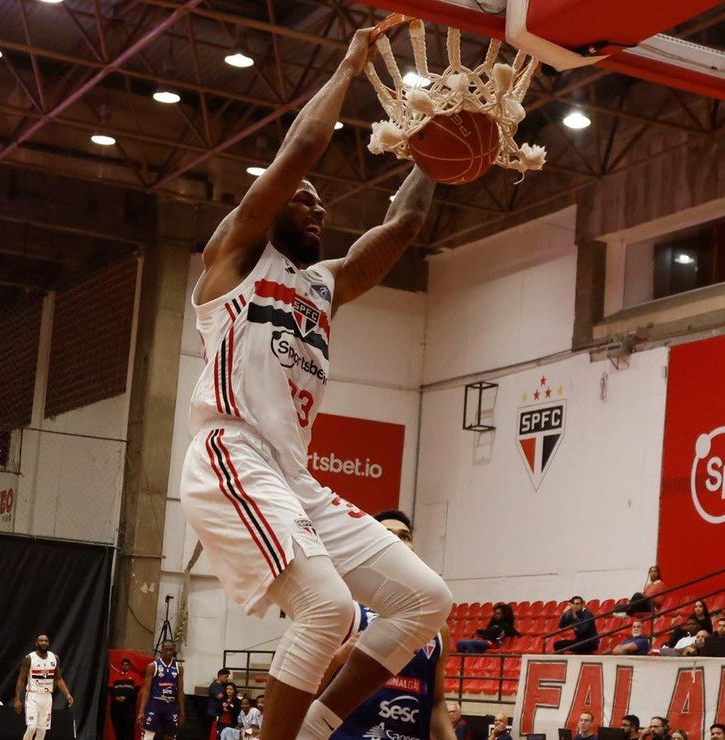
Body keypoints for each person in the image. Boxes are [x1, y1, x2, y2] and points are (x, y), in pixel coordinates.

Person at [177, 22, 450, 740]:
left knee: (426, 600)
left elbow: (406, 223)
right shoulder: (233, 258)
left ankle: (317, 725)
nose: (319, 209)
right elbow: (300, 151)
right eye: (306, 201)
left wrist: (438, 142)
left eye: (322, 205)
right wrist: (353, 64)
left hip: (290, 473)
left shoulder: (323, 285)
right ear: (266, 210)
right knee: (327, 609)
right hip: (229, 452)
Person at [327, 509, 454, 740]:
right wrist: (338, 659)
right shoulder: (346, 610)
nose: (398, 540)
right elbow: (303, 690)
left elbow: (436, 702)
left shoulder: (437, 628)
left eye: (404, 536)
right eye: (387, 533)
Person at [13, 634, 75, 740]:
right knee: (32, 727)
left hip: (47, 698)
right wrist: (17, 698)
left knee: (42, 730)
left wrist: (67, 694)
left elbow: (59, 679)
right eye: (41, 641)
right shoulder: (29, 658)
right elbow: (21, 679)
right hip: (33, 696)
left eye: (46, 641)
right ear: (36, 643)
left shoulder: (54, 658)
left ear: (49, 643)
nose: (44, 642)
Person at [138, 639, 186, 740]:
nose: (169, 652)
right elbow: (146, 690)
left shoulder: (179, 668)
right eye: (166, 649)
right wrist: (141, 711)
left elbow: (180, 692)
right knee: (148, 734)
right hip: (155, 703)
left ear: (174, 651)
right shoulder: (153, 666)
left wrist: (182, 712)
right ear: (162, 650)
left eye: (171, 650)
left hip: (171, 705)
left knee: (170, 734)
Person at [109, 658, 140, 740]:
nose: (125, 666)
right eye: (123, 665)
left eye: (127, 665)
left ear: (130, 666)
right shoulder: (114, 676)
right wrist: (116, 697)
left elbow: (136, 690)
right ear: (121, 666)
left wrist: (125, 698)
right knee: (118, 728)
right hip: (116, 707)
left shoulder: (135, 676)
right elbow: (110, 689)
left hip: (129, 707)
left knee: (128, 728)